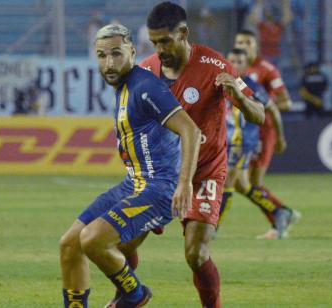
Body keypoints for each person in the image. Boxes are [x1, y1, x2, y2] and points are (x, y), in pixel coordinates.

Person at [106, 3, 265, 307]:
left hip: (205, 172)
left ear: (183, 33)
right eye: (154, 42)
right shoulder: (147, 71)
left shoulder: (216, 66)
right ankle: (126, 298)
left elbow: (259, 114)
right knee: (123, 244)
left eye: (165, 40)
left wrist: (240, 101)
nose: (159, 49)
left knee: (196, 254)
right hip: (161, 176)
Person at [59, 24, 202, 308]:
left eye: (116, 54)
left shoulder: (145, 87)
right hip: (133, 184)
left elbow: (191, 131)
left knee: (93, 240)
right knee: (69, 245)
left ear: (132, 52)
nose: (108, 63)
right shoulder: (124, 86)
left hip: (159, 189)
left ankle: (135, 295)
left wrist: (184, 183)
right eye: (101, 56)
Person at [217, 48, 292, 238]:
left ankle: (212, 229)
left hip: (241, 142)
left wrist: (280, 137)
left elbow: (273, 110)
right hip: (230, 141)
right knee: (243, 185)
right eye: (231, 60)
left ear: (246, 66)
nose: (234, 64)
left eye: (239, 62)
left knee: (227, 183)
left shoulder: (248, 85)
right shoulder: (221, 82)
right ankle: (279, 211)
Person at [234, 29, 301, 240]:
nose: (243, 46)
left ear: (255, 46)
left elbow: (286, 102)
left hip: (264, 131)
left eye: (247, 42)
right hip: (245, 130)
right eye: (239, 42)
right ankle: (279, 216)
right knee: (243, 183)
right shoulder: (236, 68)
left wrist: (265, 106)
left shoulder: (266, 69)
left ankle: (280, 216)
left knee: (251, 182)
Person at [247, 0, 292, 65]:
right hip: (264, 56)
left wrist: (285, 4)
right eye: (267, 11)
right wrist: (258, 4)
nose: (269, 13)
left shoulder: (278, 26)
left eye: (271, 11)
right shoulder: (262, 26)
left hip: (277, 56)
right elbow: (252, 19)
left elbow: (288, 18)